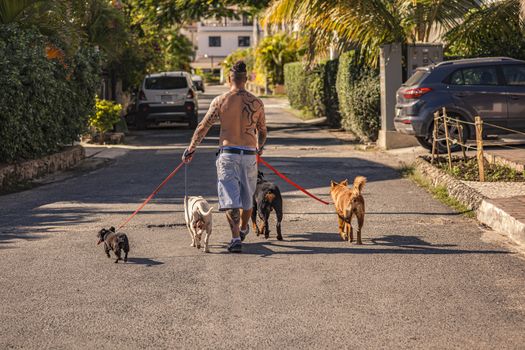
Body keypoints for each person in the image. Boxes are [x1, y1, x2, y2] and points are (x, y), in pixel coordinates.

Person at [182, 61, 267, 253]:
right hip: (249, 155)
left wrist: (191, 148)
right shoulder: (257, 103)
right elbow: (262, 131)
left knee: (230, 198)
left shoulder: (220, 101)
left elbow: (203, 127)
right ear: (246, 79)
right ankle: (244, 228)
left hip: (228, 155)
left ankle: (236, 237)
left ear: (229, 79)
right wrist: (259, 148)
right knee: (247, 197)